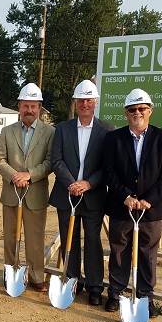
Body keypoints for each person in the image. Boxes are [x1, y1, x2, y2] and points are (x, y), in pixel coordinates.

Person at [103, 88, 162, 318]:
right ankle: (116, 293)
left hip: (150, 210)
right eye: (132, 109)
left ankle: (145, 297)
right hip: (122, 206)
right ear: (126, 113)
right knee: (119, 250)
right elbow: (109, 171)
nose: (137, 113)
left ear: (150, 111)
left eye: (142, 108)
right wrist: (125, 196)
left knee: (147, 252)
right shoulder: (114, 138)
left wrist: (148, 201)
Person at [49, 79, 110, 306]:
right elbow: (56, 160)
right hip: (66, 194)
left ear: (95, 102)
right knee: (69, 240)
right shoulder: (62, 129)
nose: (84, 104)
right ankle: (73, 280)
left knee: (93, 241)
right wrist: (72, 183)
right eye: (80, 100)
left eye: (88, 100)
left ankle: (95, 287)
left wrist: (87, 184)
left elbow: (107, 166)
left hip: (93, 196)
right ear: (75, 103)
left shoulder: (106, 130)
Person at [0, 82, 54, 291]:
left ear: (39, 108)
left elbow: (50, 161)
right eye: (26, 106)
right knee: (11, 237)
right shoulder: (7, 131)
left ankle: (37, 276)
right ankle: (11, 272)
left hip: (35, 192)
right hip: (11, 192)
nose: (29, 110)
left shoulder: (50, 132)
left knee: (35, 238)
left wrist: (30, 175)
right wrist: (14, 176)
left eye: (33, 106)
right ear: (19, 106)